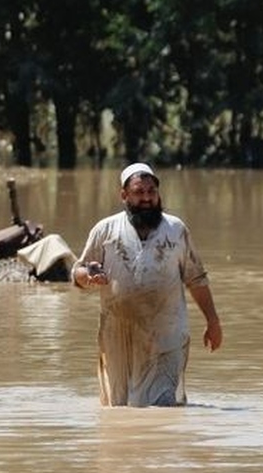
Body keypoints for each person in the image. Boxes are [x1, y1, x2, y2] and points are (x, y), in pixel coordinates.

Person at [72, 163, 223, 407]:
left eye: (151, 192)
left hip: (167, 336)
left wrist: (213, 321)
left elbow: (196, 279)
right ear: (124, 195)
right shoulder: (105, 230)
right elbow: (77, 271)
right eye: (139, 192)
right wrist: (88, 275)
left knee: (163, 406)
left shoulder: (176, 230)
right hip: (118, 337)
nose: (146, 198)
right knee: (119, 407)